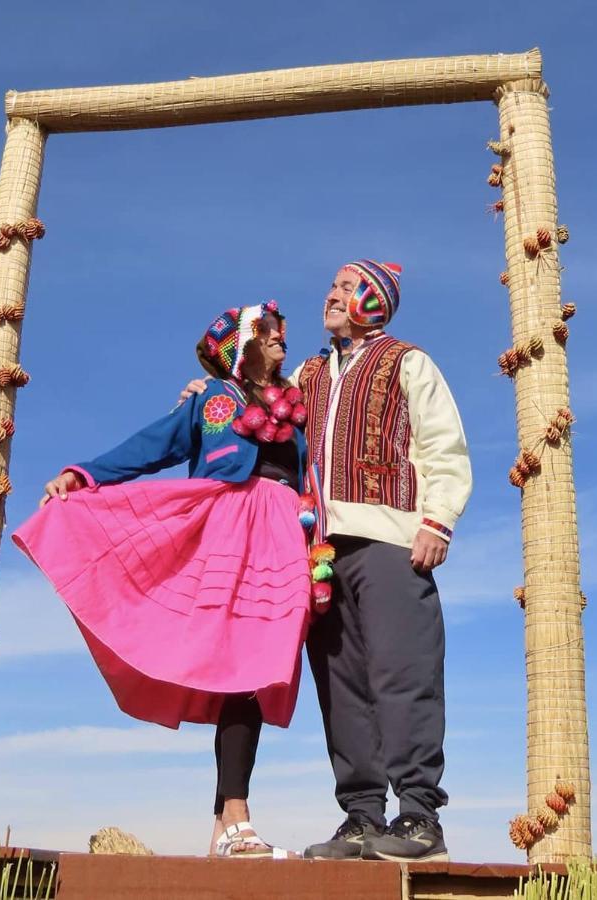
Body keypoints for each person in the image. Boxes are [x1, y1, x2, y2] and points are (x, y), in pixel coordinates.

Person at [181, 261, 472, 862]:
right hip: (315, 551)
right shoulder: (309, 375)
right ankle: (362, 816)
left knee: (403, 671)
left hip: (393, 538)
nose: (331, 296)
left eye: (344, 288)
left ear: (374, 299)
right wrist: (204, 389)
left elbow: (442, 444)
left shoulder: (407, 361)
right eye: (332, 288)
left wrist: (437, 520)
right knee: (339, 687)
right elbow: (252, 395)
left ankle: (419, 816)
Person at [13, 301, 314, 859]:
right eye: (269, 332)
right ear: (241, 344)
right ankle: (236, 819)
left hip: (281, 537)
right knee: (239, 669)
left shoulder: (297, 409)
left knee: (256, 670)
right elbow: (152, 446)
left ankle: (226, 825)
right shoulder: (211, 400)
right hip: (225, 528)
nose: (281, 340)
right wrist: (81, 475)